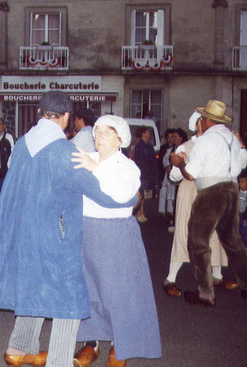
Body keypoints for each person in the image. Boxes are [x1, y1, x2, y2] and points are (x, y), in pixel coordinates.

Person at [0, 91, 137, 367]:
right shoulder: (67, 151)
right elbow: (98, 192)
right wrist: (130, 198)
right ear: (64, 117)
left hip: (22, 232)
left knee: (35, 287)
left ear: (41, 113)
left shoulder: (23, 144)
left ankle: (18, 349)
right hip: (56, 234)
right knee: (68, 296)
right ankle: (60, 361)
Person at [71, 115, 161, 367]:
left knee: (119, 291)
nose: (98, 137)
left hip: (117, 232)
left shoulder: (127, 166)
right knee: (88, 289)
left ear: (120, 138)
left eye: (106, 133)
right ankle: (91, 342)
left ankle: (120, 344)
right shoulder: (86, 157)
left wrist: (95, 168)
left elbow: (124, 194)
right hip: (87, 229)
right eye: (97, 132)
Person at [170, 100, 247, 306]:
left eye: (202, 117)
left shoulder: (206, 141)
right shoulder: (231, 138)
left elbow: (190, 174)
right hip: (231, 191)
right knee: (234, 242)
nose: (200, 120)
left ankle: (205, 293)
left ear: (208, 120)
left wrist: (180, 163)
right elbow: (240, 166)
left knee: (198, 241)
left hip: (211, 193)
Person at [163, 112, 233, 299]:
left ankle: (217, 275)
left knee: (214, 233)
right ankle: (170, 278)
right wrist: (179, 165)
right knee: (184, 233)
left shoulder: (216, 143)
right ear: (198, 124)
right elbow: (174, 176)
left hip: (210, 192)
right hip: (190, 194)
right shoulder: (187, 146)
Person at [133, 126, 159, 222]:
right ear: (143, 133)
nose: (149, 134)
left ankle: (142, 212)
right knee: (141, 193)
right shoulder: (140, 146)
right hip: (143, 173)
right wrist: (147, 170)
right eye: (147, 132)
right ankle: (138, 213)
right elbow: (140, 161)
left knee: (145, 194)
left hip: (149, 173)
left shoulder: (149, 145)